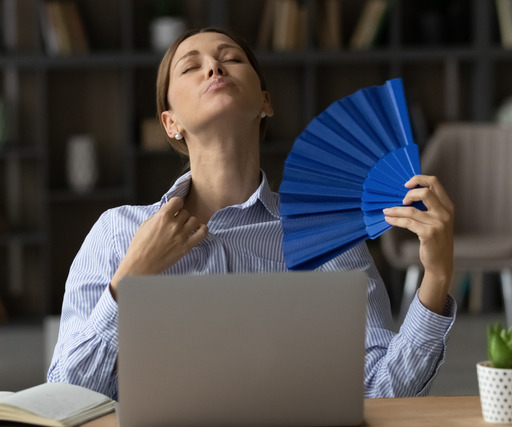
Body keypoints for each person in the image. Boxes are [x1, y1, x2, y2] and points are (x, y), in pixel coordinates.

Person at [47, 27, 455, 400]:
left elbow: (383, 393)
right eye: (191, 66)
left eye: (232, 59)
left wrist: (435, 279)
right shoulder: (118, 233)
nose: (214, 67)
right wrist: (129, 282)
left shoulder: (325, 240)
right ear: (170, 123)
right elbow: (65, 396)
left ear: (265, 101)